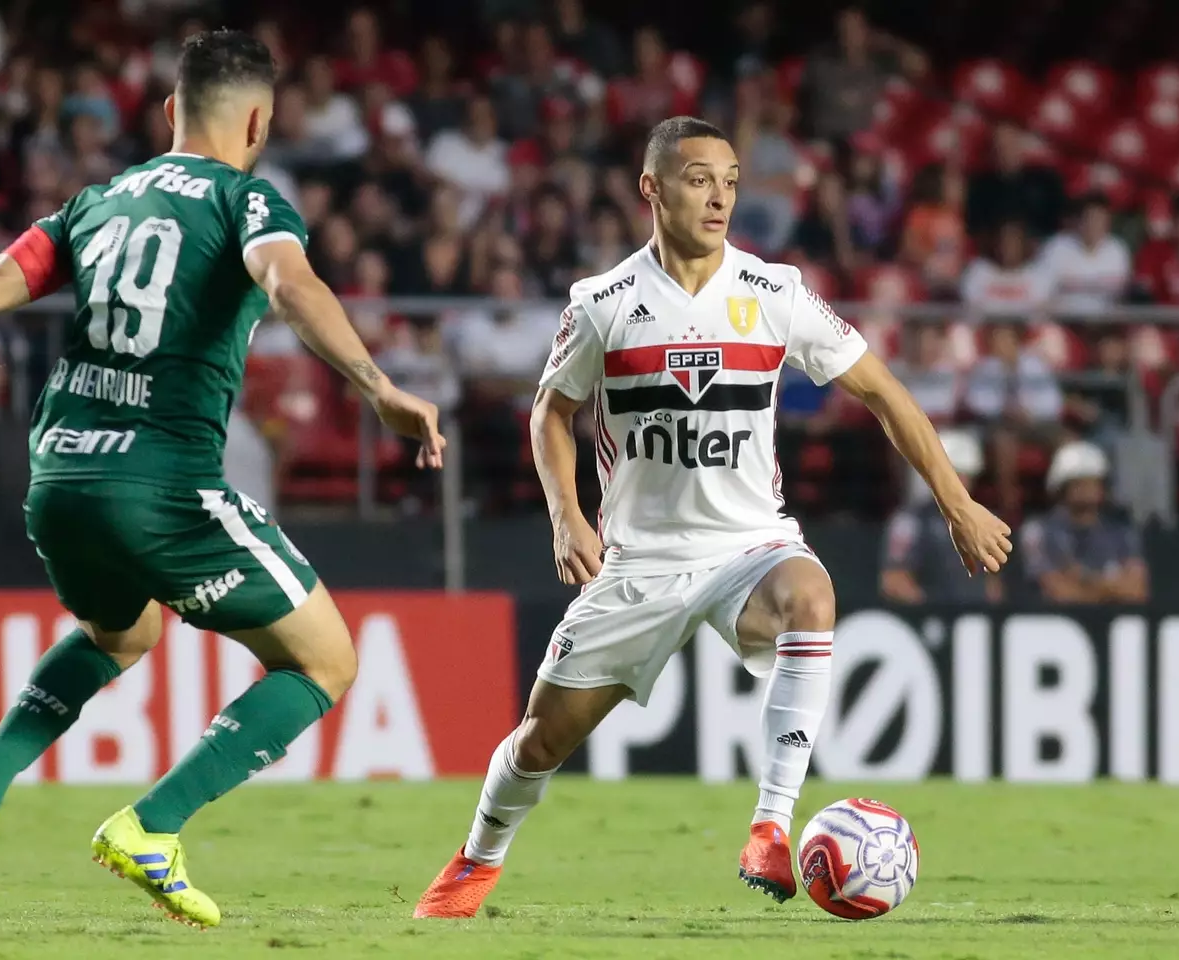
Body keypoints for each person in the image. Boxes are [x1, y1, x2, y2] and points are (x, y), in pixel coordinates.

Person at [0, 30, 444, 931]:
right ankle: (151, 826)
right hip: (163, 484)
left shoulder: (97, 201)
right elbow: (290, 288)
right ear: (260, 123)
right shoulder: (249, 200)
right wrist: (380, 387)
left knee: (122, 635)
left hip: (59, 475)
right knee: (326, 660)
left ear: (169, 113)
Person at [413, 116, 1011, 919]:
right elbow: (550, 413)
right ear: (652, 190)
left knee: (812, 598)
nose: (721, 196)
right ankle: (475, 863)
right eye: (700, 179)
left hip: (747, 545)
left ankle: (771, 825)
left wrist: (958, 501)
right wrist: (567, 516)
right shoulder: (603, 305)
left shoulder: (775, 293)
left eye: (730, 180)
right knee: (539, 742)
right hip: (639, 562)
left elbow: (882, 390)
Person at [881, 429, 1003, 604]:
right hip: (928, 620)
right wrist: (934, 612)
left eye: (966, 475)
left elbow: (993, 585)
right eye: (955, 474)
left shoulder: (985, 520)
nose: (962, 481)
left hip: (975, 621)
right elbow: (894, 580)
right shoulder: (909, 522)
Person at [1021, 440, 1149, 604]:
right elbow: (1059, 592)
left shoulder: (1122, 533)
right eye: (1079, 483)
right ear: (1061, 488)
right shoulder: (1040, 531)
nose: (1088, 489)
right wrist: (1111, 586)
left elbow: (1137, 591)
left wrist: (1083, 578)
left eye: (1093, 482)